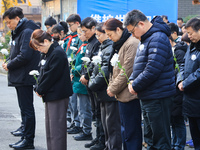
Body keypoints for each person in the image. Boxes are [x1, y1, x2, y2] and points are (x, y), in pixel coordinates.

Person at [125, 10, 176, 149]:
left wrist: (135, 85)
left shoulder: (158, 38)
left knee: (160, 139)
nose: (132, 35)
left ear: (140, 24)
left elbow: (153, 69)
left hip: (158, 95)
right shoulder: (146, 39)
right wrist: (132, 80)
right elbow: (138, 65)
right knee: (150, 138)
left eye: (132, 31)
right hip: (149, 95)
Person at [2, 7, 40, 149]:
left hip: (25, 76)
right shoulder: (20, 30)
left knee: (27, 109)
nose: (8, 25)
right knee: (24, 109)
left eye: (9, 22)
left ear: (17, 19)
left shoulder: (26, 31)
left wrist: (10, 64)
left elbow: (25, 55)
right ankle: (25, 136)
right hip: (20, 76)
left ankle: (28, 140)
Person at [29, 29, 73, 150]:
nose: (38, 50)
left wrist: (40, 89)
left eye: (39, 46)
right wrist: (38, 87)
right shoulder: (49, 52)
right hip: (51, 94)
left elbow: (51, 75)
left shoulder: (57, 53)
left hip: (58, 95)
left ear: (46, 41)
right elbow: (43, 72)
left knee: (57, 130)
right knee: (51, 129)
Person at [105, 18, 142, 150]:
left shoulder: (131, 43)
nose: (109, 38)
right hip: (122, 94)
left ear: (119, 29)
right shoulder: (121, 43)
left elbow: (127, 69)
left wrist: (113, 88)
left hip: (129, 95)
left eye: (110, 35)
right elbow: (114, 68)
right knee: (125, 130)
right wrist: (111, 86)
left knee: (131, 131)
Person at [88, 22, 122, 150]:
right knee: (106, 124)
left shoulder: (110, 47)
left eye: (99, 35)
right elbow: (95, 67)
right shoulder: (102, 47)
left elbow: (105, 71)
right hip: (102, 92)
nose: (97, 38)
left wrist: (92, 84)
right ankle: (107, 146)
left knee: (112, 125)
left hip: (108, 91)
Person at [76, 17, 101, 142]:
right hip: (87, 81)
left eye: (85, 31)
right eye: (82, 31)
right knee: (94, 111)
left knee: (97, 112)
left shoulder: (97, 42)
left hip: (94, 81)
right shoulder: (89, 42)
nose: (84, 34)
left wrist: (86, 75)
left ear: (93, 28)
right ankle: (97, 138)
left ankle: (100, 138)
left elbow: (95, 63)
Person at [177, 17, 200, 150]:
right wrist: (180, 80)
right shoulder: (191, 46)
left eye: (191, 33)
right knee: (195, 137)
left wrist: (186, 82)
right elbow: (182, 65)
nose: (188, 36)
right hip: (190, 101)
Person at [169, 35, 187, 150]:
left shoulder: (178, 52)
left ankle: (179, 145)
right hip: (172, 92)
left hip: (178, 92)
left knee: (178, 122)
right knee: (174, 121)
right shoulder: (172, 51)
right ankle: (175, 144)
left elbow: (180, 71)